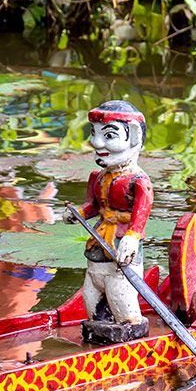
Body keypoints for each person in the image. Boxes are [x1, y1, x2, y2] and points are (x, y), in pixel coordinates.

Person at [64, 100, 154, 344]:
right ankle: (96, 339)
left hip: (121, 250)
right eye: (94, 133)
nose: (96, 143)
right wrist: (79, 214)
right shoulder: (97, 177)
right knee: (92, 300)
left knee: (120, 296)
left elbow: (140, 216)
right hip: (97, 247)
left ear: (134, 137)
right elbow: (94, 206)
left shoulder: (138, 181)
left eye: (109, 135)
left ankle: (131, 340)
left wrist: (133, 237)